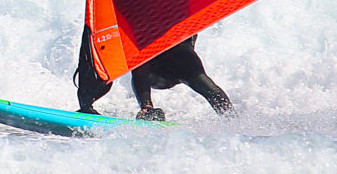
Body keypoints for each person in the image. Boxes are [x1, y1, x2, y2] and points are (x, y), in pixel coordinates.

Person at [74, 25, 232, 120]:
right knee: (138, 52)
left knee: (207, 86)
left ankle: (231, 119)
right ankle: (146, 108)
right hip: (149, 59)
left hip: (177, 57)